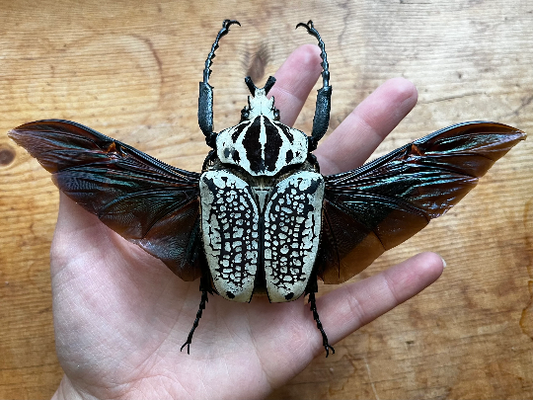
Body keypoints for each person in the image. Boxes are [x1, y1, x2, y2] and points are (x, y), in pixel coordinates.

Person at [50, 44, 444, 400]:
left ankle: (211, 293)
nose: (261, 109)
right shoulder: (307, 179)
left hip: (227, 282)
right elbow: (317, 139)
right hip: (291, 282)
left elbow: (208, 145)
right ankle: (295, 294)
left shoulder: (213, 181)